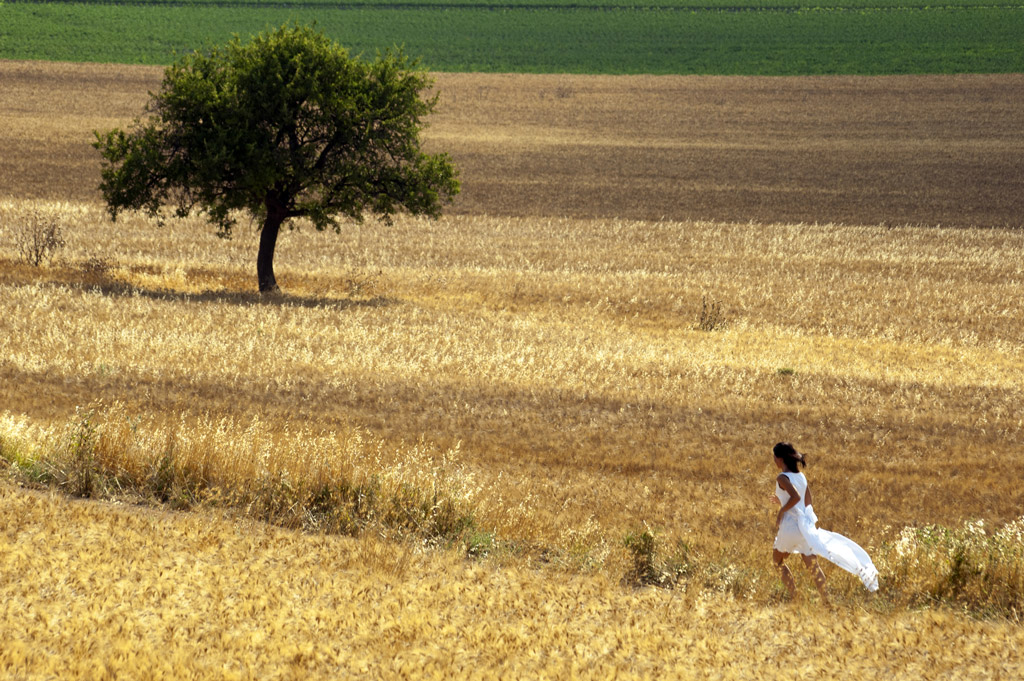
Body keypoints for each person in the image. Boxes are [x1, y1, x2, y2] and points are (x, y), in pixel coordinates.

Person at [771, 442, 879, 602]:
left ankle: (795, 598)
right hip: (804, 528)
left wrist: (781, 512)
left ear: (780, 459)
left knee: (777, 561)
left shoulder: (782, 477)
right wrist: (804, 522)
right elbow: (806, 502)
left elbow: (796, 497)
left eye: (774, 457)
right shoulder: (801, 477)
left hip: (789, 528)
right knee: (813, 566)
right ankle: (827, 601)